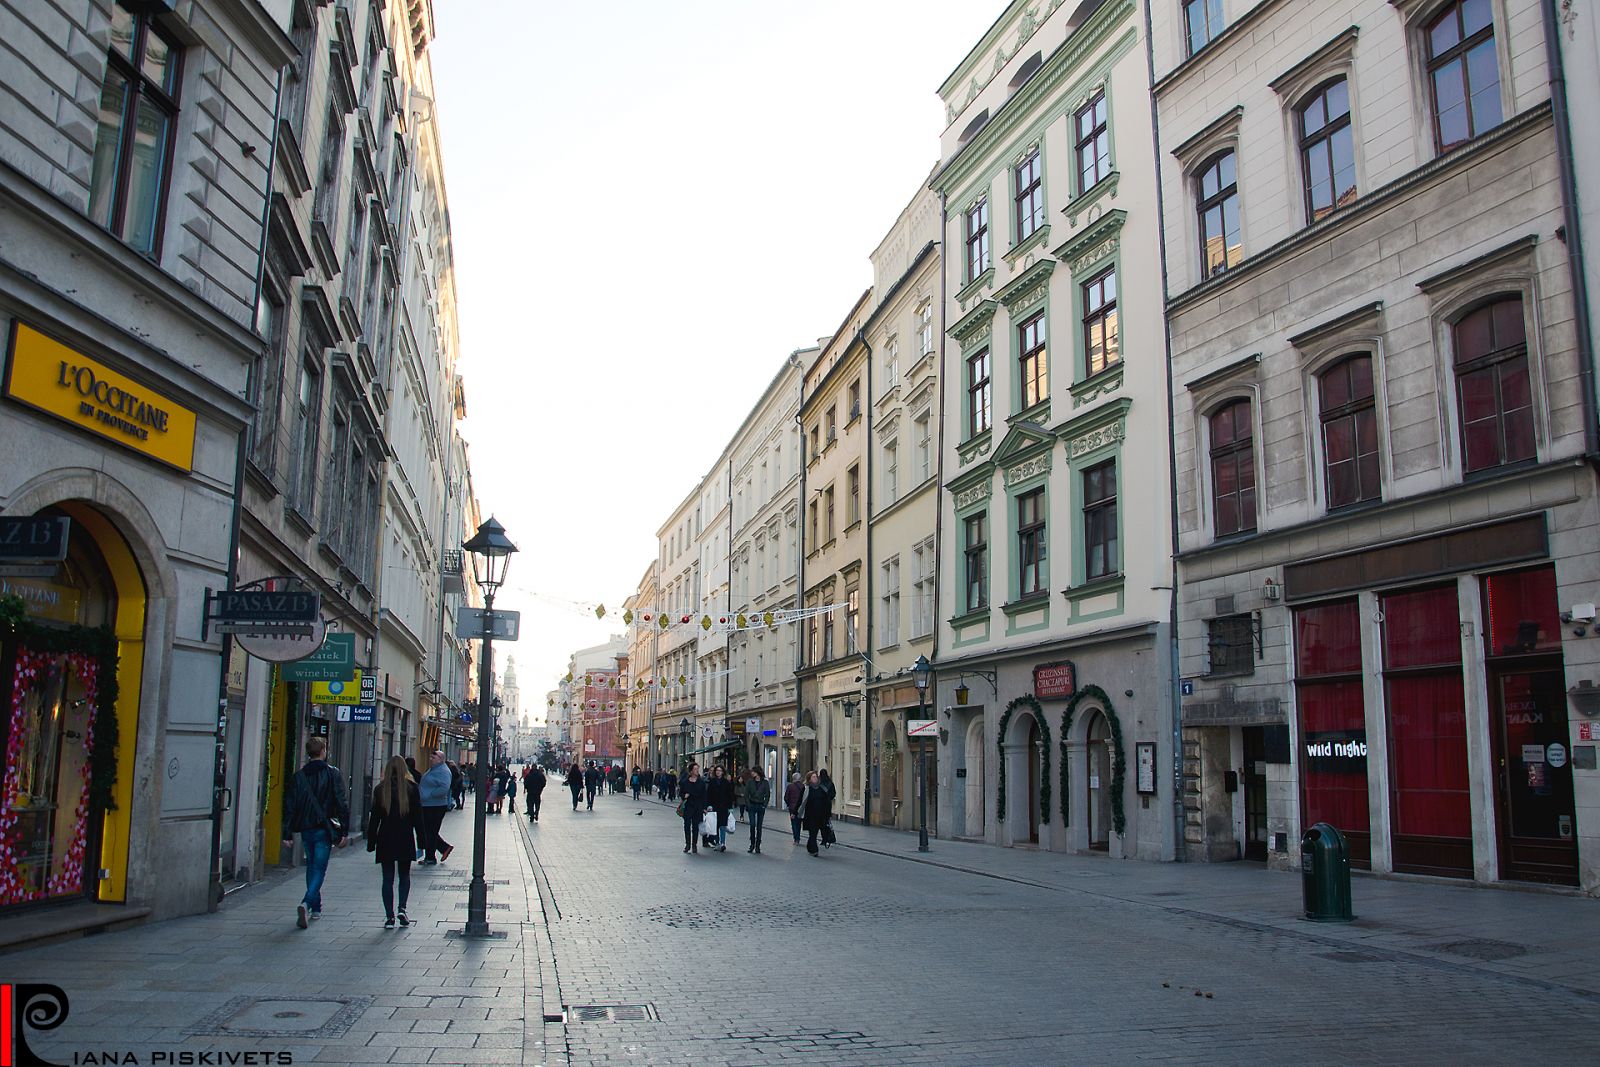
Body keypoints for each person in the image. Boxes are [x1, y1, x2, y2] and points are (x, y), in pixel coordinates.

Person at [281, 736, 350, 928]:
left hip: (306, 828)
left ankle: (316, 907)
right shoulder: (332, 774)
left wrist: (286, 833)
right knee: (319, 868)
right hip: (323, 828)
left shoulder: (299, 776)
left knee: (312, 866)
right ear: (323, 751)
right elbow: (341, 802)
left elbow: (290, 806)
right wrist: (344, 829)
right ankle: (306, 901)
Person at [366, 755, 423, 929]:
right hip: (405, 837)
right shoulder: (411, 789)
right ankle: (402, 908)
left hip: (386, 837)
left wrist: (371, 842)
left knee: (387, 878)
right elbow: (418, 818)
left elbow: (374, 819)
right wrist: (422, 841)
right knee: (404, 875)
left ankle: (389, 916)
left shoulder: (380, 789)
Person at [417, 750, 455, 865]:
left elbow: (444, 788)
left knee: (430, 831)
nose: (430, 759)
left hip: (434, 805)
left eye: (433, 757)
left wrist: (429, 795)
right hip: (428, 804)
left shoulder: (442, 771)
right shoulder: (434, 769)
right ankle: (442, 849)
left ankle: (431, 857)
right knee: (429, 831)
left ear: (440, 759)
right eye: (431, 757)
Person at [678, 762, 708, 854]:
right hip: (688, 806)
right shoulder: (685, 782)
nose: (697, 771)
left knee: (695, 826)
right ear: (691, 771)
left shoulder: (701, 782)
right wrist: (684, 796)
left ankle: (694, 844)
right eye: (695, 769)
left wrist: (704, 807)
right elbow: (681, 793)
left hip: (698, 806)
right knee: (687, 825)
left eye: (697, 769)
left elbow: (704, 795)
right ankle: (687, 844)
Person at [801, 770, 833, 857]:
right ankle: (814, 850)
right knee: (813, 833)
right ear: (809, 779)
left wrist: (828, 814)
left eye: (816, 777)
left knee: (815, 833)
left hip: (821, 816)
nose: (815, 778)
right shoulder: (806, 789)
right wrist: (795, 812)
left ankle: (810, 846)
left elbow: (827, 801)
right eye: (813, 777)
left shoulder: (822, 788)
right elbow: (801, 801)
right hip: (810, 815)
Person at [705, 764, 735, 852]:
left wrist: (730, 807)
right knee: (715, 825)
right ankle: (717, 842)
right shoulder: (712, 782)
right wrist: (709, 805)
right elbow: (709, 795)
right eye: (717, 770)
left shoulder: (726, 782)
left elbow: (730, 795)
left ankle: (722, 843)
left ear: (723, 772)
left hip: (724, 807)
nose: (718, 772)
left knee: (723, 825)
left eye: (720, 770)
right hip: (714, 807)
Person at [742, 767, 770, 854]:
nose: (752, 773)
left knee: (759, 826)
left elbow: (768, 794)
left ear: (757, 772)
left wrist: (764, 805)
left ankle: (758, 845)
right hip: (752, 805)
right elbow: (746, 794)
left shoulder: (765, 782)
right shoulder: (750, 782)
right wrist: (748, 805)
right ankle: (752, 844)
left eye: (753, 772)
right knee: (752, 824)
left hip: (760, 805)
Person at [783, 772, 804, 844]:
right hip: (801, 808)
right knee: (799, 823)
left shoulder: (790, 786)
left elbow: (786, 797)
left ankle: (796, 838)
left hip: (792, 808)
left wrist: (789, 804)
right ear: (800, 779)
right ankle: (797, 836)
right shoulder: (803, 786)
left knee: (794, 823)